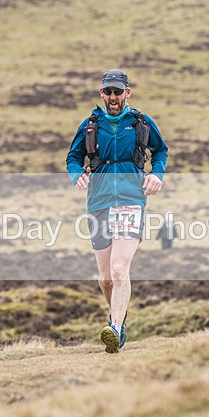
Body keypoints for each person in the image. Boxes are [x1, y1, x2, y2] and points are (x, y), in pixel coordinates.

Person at [66, 69, 168, 354]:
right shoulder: (90, 125)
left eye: (118, 91)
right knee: (107, 279)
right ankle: (119, 314)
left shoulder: (140, 122)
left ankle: (115, 328)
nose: (113, 97)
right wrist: (77, 175)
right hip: (98, 203)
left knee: (120, 268)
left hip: (131, 200)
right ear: (102, 93)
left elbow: (161, 151)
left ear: (127, 93)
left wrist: (156, 174)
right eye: (108, 91)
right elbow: (73, 158)